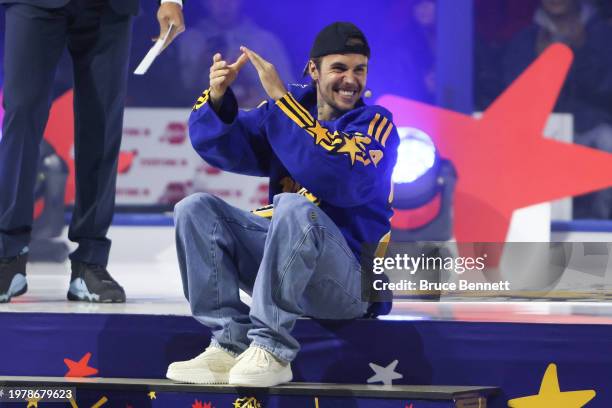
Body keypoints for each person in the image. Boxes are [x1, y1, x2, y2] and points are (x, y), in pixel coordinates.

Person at [166, 22, 399, 387]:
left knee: (292, 207)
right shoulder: (286, 114)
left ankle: (272, 349)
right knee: (195, 209)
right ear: (313, 69)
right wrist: (216, 96)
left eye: (360, 69)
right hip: (293, 272)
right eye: (339, 68)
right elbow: (223, 145)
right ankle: (228, 343)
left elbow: (340, 177)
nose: (350, 80)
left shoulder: (375, 124)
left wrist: (282, 100)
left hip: (351, 287)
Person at [0, 0, 185, 303]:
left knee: (101, 123)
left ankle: (90, 260)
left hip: (108, 7)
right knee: (21, 114)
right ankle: (8, 255)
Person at [503, 0, 612, 218]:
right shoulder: (527, 38)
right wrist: (541, 65)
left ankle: (603, 223)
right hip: (542, 128)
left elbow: (605, 88)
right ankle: (540, 223)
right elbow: (512, 96)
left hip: (593, 125)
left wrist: (580, 51)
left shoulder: (602, 35)